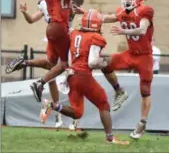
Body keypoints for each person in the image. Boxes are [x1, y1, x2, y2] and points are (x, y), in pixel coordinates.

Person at [5, 0, 84, 130]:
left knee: (51, 65)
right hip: (60, 30)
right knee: (67, 69)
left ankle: (24, 63)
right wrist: (25, 13)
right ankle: (43, 89)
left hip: (59, 30)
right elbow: (35, 18)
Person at [75, 0, 154, 139]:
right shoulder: (121, 12)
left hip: (145, 57)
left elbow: (142, 30)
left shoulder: (145, 11)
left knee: (145, 91)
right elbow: (104, 18)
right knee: (105, 64)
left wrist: (124, 31)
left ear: (139, 0)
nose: (127, 1)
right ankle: (119, 91)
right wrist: (85, 13)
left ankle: (142, 123)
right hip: (130, 54)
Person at [40, 9, 130, 145]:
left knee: (77, 113)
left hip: (71, 75)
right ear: (97, 24)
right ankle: (110, 138)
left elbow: (70, 57)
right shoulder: (96, 38)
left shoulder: (74, 33)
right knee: (103, 104)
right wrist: (105, 62)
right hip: (83, 75)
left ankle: (51, 105)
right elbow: (92, 62)